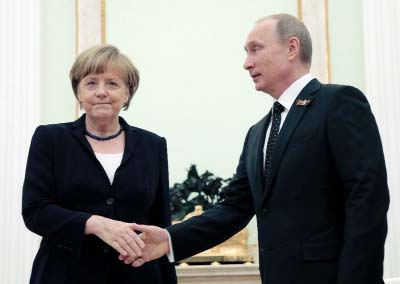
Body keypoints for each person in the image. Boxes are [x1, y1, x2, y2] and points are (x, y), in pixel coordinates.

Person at [122, 13, 390, 284]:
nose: (246, 63)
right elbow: (233, 209)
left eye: (255, 49)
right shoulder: (258, 133)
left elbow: (367, 198)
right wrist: (169, 239)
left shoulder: (338, 102)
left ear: (292, 48)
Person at [22, 44, 177, 284]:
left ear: (127, 93)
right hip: (65, 274)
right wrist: (95, 224)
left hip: (138, 276)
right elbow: (35, 211)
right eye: (91, 83)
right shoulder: (50, 139)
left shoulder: (153, 145)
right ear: (78, 92)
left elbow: (160, 222)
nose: (101, 92)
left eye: (112, 83)